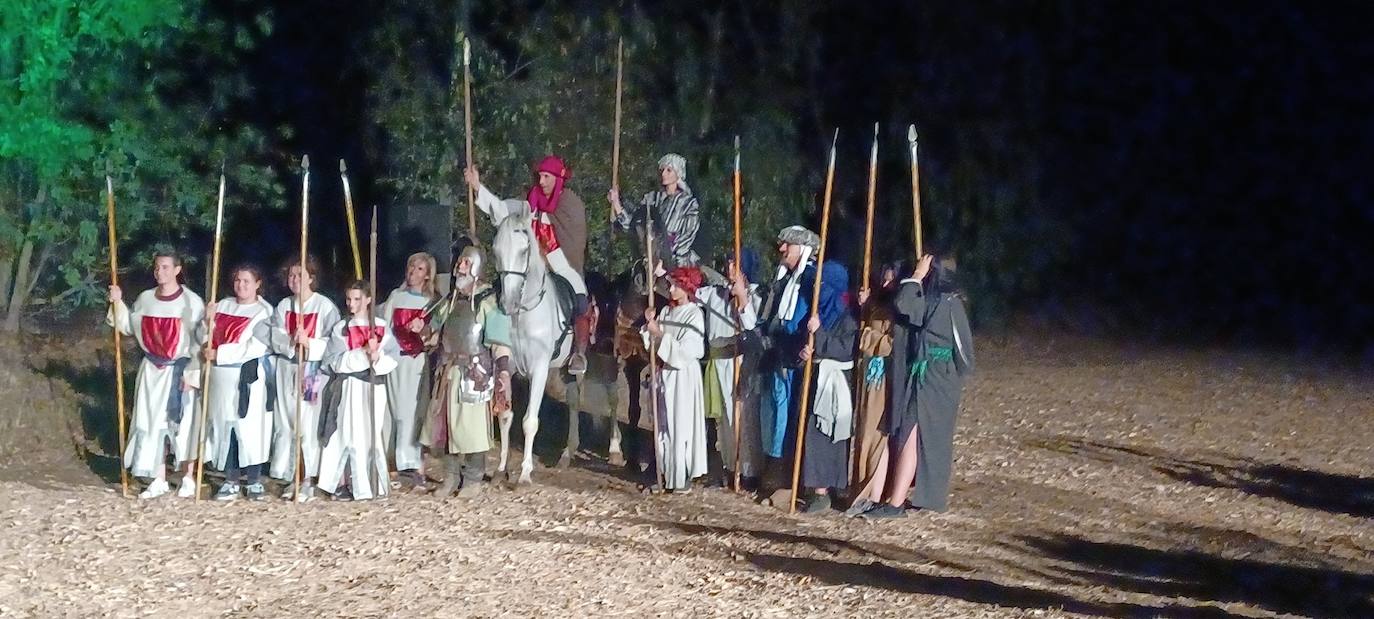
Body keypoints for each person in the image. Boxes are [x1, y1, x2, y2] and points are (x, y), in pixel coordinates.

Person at [863, 255, 975, 519]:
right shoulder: (936, 299)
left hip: (936, 378)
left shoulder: (946, 302)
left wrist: (915, 276)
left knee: (916, 435)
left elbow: (906, 305)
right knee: (909, 434)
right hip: (924, 375)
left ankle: (897, 503)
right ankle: (896, 500)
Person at [465, 157, 593, 375]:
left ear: (557, 178)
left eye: (546, 177)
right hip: (529, 265)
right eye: (539, 177)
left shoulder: (570, 203)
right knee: (500, 290)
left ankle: (578, 353)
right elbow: (501, 208)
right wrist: (478, 186)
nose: (541, 182)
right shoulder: (530, 203)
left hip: (559, 263)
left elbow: (575, 239)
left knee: (580, 297)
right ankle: (496, 343)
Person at [106, 251, 206, 499]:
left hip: (180, 369)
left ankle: (187, 476)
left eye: (165, 267)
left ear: (177, 270)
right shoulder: (145, 299)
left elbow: (200, 340)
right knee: (152, 423)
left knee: (182, 424)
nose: (159, 272)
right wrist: (118, 303)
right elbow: (129, 326)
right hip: (152, 370)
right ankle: (158, 477)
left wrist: (193, 373)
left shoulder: (191, 302)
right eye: (157, 268)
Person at [421, 245, 513, 498]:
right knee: (446, 427)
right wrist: (425, 331)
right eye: (459, 262)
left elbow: (499, 343)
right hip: (448, 371)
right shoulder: (450, 300)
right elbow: (435, 334)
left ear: (477, 268)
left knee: (472, 430)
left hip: (475, 373)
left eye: (465, 263)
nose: (459, 267)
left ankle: (472, 479)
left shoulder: (488, 302)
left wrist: (503, 373)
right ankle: (450, 477)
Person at [317, 280, 399, 501]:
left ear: (368, 299)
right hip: (349, 387)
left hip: (373, 388)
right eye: (349, 299)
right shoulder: (342, 328)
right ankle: (341, 484)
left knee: (369, 434)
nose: (351, 304)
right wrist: (363, 354)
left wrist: (377, 358)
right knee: (346, 433)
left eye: (357, 299)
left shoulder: (381, 326)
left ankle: (371, 486)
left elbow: (392, 359)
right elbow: (334, 362)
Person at [267, 255, 339, 502]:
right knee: (288, 423)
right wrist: (290, 342)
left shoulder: (324, 307)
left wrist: (310, 343)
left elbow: (333, 341)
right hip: (287, 369)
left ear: (312, 277)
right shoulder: (284, 307)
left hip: (311, 371)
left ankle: (309, 478)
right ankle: (292, 476)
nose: (295, 280)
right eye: (291, 275)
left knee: (308, 425)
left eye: (300, 275)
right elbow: (274, 336)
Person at [201, 265, 276, 501]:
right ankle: (230, 479)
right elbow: (204, 336)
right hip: (221, 378)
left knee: (250, 431)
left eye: (246, 281)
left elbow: (256, 346)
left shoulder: (264, 312)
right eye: (237, 280)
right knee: (226, 429)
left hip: (247, 376)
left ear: (257, 284)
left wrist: (221, 354)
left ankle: (254, 480)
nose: (241, 285)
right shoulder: (222, 305)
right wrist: (206, 322)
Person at [695, 249, 764, 486]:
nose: (728, 269)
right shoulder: (715, 293)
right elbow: (688, 290)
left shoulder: (755, 297)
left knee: (741, 419)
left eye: (734, 265)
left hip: (739, 361)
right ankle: (728, 467)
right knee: (723, 420)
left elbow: (752, 328)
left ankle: (747, 473)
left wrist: (742, 298)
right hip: (717, 362)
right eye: (728, 264)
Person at [641, 266, 708, 492]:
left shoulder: (694, 314)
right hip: (665, 374)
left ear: (686, 287)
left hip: (683, 377)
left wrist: (659, 334)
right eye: (670, 284)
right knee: (664, 426)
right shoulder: (668, 312)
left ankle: (680, 478)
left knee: (680, 426)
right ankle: (665, 475)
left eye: (675, 285)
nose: (670, 289)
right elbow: (652, 344)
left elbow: (688, 351)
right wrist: (650, 325)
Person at [845, 262, 902, 516]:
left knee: (876, 434)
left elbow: (892, 343)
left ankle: (873, 494)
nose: (886, 284)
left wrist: (868, 337)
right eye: (885, 279)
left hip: (884, 379)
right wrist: (864, 307)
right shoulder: (877, 305)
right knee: (864, 433)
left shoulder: (897, 310)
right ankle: (861, 489)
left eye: (892, 280)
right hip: (869, 375)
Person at [380, 252, 439, 491]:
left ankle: (412, 464)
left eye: (420, 269)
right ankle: (390, 462)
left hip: (415, 362)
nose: (413, 272)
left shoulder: (432, 301)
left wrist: (424, 330)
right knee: (391, 412)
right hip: (395, 361)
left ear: (427, 275)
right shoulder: (396, 296)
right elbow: (384, 328)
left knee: (411, 412)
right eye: (411, 267)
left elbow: (435, 336)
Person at [609, 153, 702, 269]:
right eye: (662, 170)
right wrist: (616, 203)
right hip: (648, 259)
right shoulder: (651, 199)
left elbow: (687, 236)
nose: (663, 173)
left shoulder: (688, 204)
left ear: (678, 173)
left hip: (676, 264)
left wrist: (666, 259)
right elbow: (635, 226)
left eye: (669, 170)